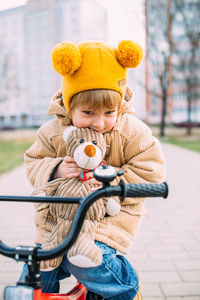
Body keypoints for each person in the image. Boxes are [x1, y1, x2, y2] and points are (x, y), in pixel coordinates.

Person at [20, 40, 166, 299]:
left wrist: (110, 182)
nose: (99, 123)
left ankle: (127, 287)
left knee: (84, 260)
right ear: (69, 104)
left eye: (109, 112)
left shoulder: (131, 131)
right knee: (33, 275)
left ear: (119, 105)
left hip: (106, 221)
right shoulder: (52, 132)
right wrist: (55, 169)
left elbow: (150, 170)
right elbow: (33, 161)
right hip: (55, 223)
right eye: (88, 112)